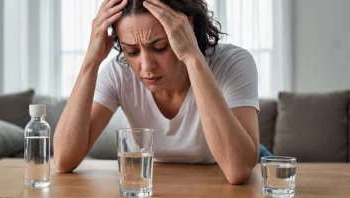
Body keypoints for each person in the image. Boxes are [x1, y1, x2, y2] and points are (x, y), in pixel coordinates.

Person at [53, 0, 260, 185]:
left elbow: (238, 170)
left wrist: (192, 56)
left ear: (188, 28)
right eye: (132, 51)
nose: (146, 66)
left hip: (230, 163)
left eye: (160, 47)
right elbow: (64, 159)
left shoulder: (232, 63)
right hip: (159, 180)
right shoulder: (119, 72)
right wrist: (91, 61)